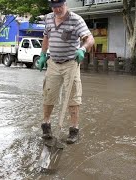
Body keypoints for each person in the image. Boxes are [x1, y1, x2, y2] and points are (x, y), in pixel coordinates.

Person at [38, 0, 95, 144]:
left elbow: (90, 39)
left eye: (60, 6)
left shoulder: (76, 19)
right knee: (48, 94)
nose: (57, 10)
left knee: (73, 97)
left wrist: (82, 48)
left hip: (71, 63)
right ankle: (46, 125)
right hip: (53, 63)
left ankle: (73, 129)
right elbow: (46, 36)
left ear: (65, 4)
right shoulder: (49, 18)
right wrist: (43, 54)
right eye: (54, 7)